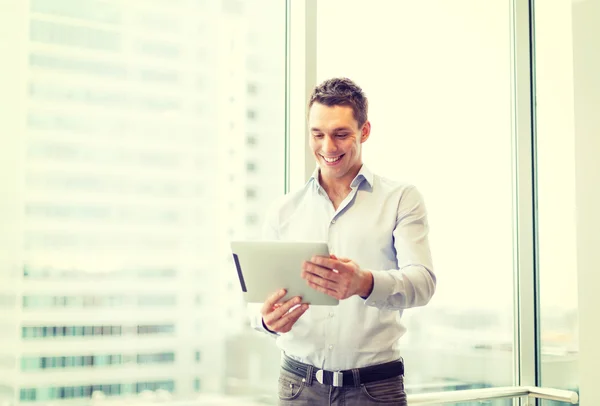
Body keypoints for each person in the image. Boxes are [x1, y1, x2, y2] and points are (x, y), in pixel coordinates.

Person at [250, 77, 436, 406]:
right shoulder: (283, 210)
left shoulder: (401, 199)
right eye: (317, 134)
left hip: (375, 389)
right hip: (298, 387)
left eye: (340, 134)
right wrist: (265, 320)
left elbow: (422, 283)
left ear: (364, 132)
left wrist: (364, 282)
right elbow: (259, 297)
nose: (328, 147)